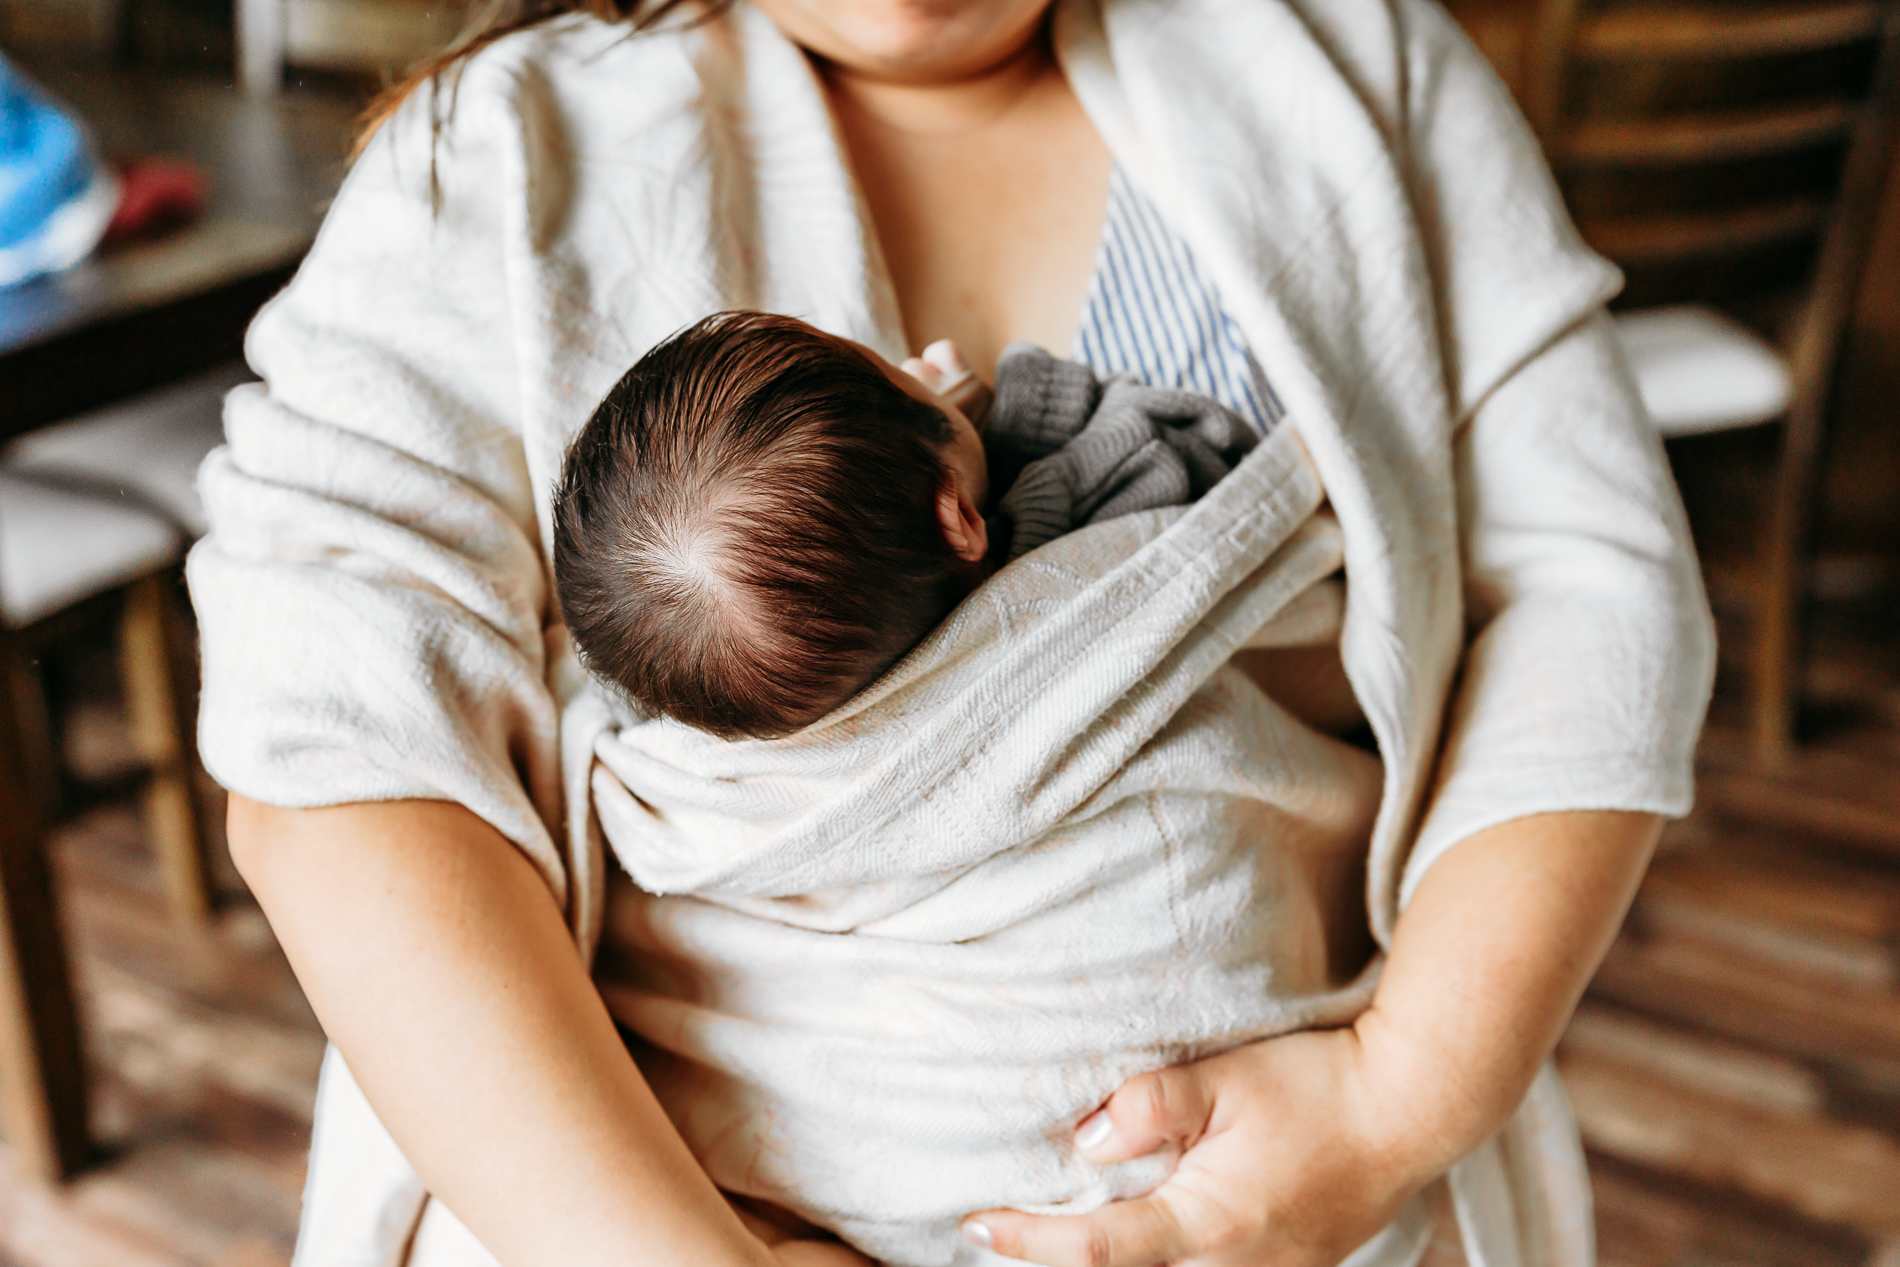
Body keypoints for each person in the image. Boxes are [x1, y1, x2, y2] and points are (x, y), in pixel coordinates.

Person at [187, 2, 1716, 1266]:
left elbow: (1596, 595)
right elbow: (337, 757)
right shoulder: (497, 159)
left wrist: (1396, 1102)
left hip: (1308, 1188)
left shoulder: (1353, 63)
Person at [551, 310, 1258, 738]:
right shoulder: (1085, 535)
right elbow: (1192, 445)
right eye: (898, 374)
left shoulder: (704, 698)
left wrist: (942, 436)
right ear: (960, 520)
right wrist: (1009, 428)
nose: (912, 363)